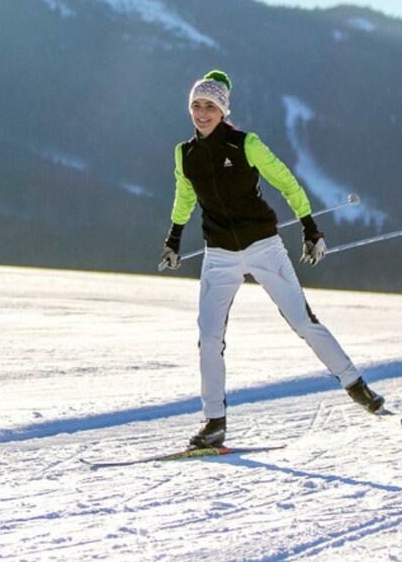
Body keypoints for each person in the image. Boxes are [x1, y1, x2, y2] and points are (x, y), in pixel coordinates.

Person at [161, 70, 385, 448]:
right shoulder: (186, 154)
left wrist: (311, 229)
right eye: (197, 105)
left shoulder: (246, 144)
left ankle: (356, 386)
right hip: (218, 255)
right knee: (209, 337)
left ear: (223, 110)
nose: (202, 113)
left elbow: (286, 182)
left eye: (210, 106)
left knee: (303, 321)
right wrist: (173, 239)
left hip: (264, 246)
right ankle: (214, 422)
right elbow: (185, 196)